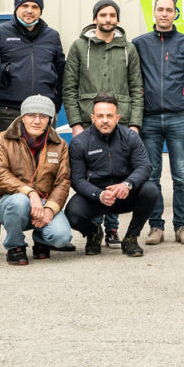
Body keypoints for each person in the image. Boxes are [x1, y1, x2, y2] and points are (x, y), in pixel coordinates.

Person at [0, 0, 66, 254]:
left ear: (41, 10)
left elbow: (61, 74)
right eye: (24, 6)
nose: (29, 10)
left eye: (34, 6)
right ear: (16, 8)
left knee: (46, 172)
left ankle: (43, 237)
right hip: (9, 109)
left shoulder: (52, 36)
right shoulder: (0, 33)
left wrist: (54, 110)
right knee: (1, 177)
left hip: (42, 112)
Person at [62, 0, 143, 247]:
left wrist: (134, 125)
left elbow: (137, 88)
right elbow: (69, 88)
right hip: (89, 123)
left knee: (118, 172)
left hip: (122, 121)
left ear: (117, 19)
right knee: (93, 174)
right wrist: (75, 123)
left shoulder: (128, 49)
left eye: (112, 15)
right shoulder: (78, 47)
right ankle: (94, 225)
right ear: (95, 18)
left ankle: (113, 228)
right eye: (103, 15)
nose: (108, 19)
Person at [134, 0, 184, 246]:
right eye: (160, 9)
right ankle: (156, 227)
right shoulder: (139, 44)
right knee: (150, 177)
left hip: (179, 118)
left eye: (169, 10)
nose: (164, 14)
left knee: (182, 176)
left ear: (176, 14)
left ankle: (182, 226)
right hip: (149, 119)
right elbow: (132, 82)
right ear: (153, 13)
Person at [65, 92, 157, 258]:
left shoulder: (130, 137)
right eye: (100, 116)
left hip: (125, 193)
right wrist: (99, 194)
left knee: (151, 190)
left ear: (118, 117)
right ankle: (94, 233)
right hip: (96, 197)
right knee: (72, 213)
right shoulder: (80, 142)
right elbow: (76, 179)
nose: (105, 120)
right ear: (92, 118)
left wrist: (127, 184)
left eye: (109, 115)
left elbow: (144, 166)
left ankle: (131, 238)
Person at [0, 95, 73, 265]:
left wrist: (49, 209)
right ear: (23, 117)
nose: (36, 120)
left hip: (44, 202)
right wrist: (30, 193)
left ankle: (41, 240)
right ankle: (15, 246)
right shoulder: (2, 139)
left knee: (61, 237)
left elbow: (63, 181)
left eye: (42, 116)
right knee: (20, 201)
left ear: (49, 119)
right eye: (31, 115)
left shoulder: (60, 144)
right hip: (12, 202)